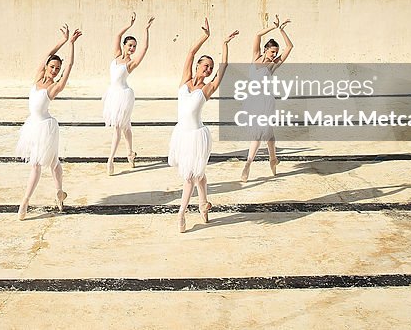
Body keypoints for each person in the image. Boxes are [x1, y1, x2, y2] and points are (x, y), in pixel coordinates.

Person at [168, 18, 239, 233]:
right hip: (182, 134)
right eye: (205, 65)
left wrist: (225, 45)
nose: (208, 69)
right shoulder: (184, 80)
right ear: (198, 65)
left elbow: (224, 67)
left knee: (190, 176)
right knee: (198, 174)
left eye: (210, 67)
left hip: (198, 136)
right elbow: (190, 52)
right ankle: (203, 204)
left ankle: (181, 214)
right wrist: (205, 36)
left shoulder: (208, 89)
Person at [17, 24, 82, 220]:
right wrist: (62, 40)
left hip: (46, 128)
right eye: (52, 67)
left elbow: (69, 66)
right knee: (53, 162)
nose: (54, 70)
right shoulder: (37, 77)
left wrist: (71, 44)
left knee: (38, 164)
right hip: (33, 126)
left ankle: (25, 202)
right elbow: (48, 54)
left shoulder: (53, 88)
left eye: (57, 69)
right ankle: (60, 193)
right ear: (46, 66)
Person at [240, 16, 293, 182]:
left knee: (263, 132)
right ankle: (270, 159)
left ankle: (253, 162)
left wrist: (282, 30)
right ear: (265, 50)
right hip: (254, 101)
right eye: (272, 52)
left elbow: (290, 47)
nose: (274, 55)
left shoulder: (273, 65)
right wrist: (272, 26)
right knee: (264, 133)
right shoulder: (256, 56)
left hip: (266, 101)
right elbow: (257, 35)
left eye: (275, 53)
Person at [103, 12, 154, 175]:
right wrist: (129, 25)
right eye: (130, 45)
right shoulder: (116, 56)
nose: (132, 48)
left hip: (124, 96)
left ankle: (110, 160)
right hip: (113, 95)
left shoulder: (130, 64)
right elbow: (118, 35)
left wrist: (146, 29)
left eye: (134, 46)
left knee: (118, 127)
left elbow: (145, 48)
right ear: (124, 46)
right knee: (126, 127)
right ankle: (130, 154)